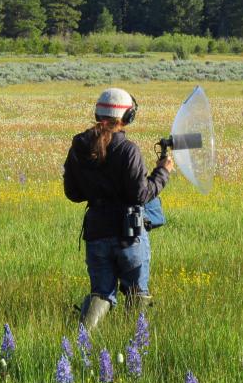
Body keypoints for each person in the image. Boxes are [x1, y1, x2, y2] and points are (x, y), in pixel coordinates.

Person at [63, 88, 174, 330]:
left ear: (97, 113)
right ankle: (135, 342)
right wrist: (163, 171)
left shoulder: (78, 147)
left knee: (101, 292)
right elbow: (142, 195)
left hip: (96, 233)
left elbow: (73, 193)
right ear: (127, 117)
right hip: (129, 236)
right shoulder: (128, 150)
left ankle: (82, 341)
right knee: (137, 294)